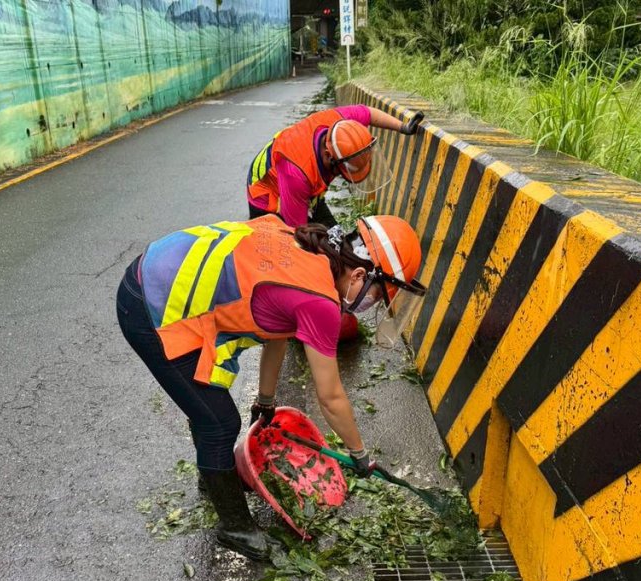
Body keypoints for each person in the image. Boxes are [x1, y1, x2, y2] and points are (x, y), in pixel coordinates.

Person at [116, 213, 426, 561]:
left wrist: (265, 401)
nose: (372, 304)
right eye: (376, 295)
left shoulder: (308, 247)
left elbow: (277, 334)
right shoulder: (320, 300)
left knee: (207, 406)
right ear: (357, 275)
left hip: (150, 275)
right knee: (218, 422)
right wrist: (360, 457)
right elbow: (331, 396)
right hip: (150, 307)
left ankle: (214, 477)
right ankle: (235, 528)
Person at [246, 105, 424, 229]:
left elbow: (368, 113)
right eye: (341, 172)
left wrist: (403, 127)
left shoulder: (341, 126)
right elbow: (297, 235)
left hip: (306, 189)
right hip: (266, 194)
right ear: (329, 156)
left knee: (335, 240)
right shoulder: (298, 174)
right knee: (279, 251)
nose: (338, 176)